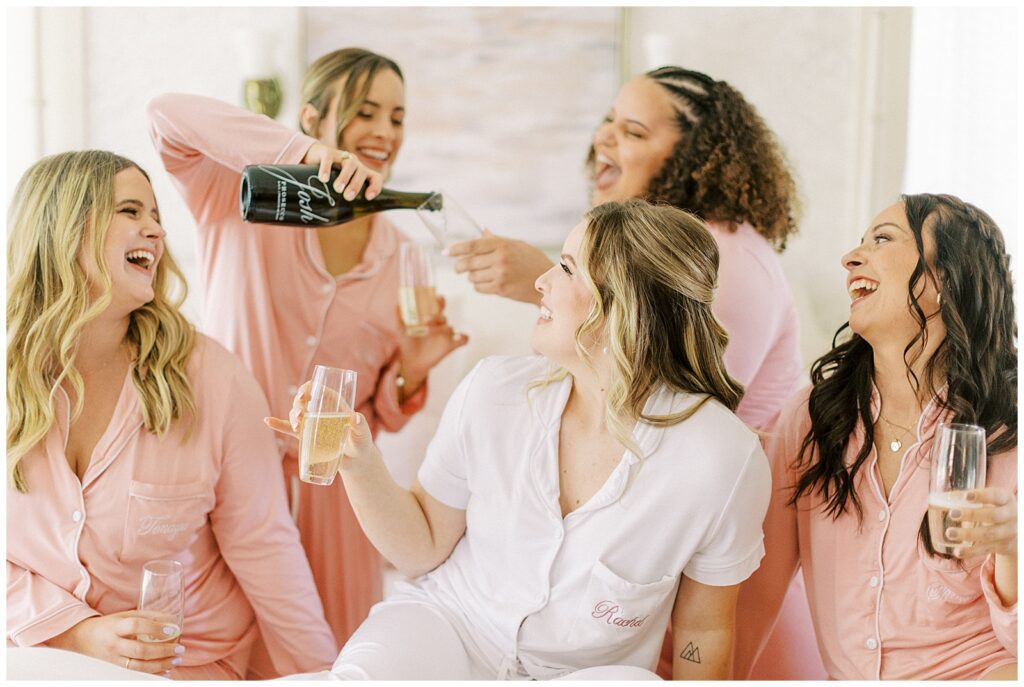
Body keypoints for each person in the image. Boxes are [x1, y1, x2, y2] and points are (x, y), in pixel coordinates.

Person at [268, 200, 771, 680]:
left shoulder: (720, 460)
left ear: (624, 306)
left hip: (583, 675)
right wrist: (359, 460)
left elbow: (703, 629)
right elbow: (420, 548)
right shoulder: (493, 391)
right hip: (446, 628)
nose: (542, 281)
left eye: (567, 268)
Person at [447, 64, 815, 679]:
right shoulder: (675, 252)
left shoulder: (730, 263)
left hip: (730, 549)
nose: (605, 140)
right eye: (608, 123)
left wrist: (549, 279)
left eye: (634, 131)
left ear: (697, 154)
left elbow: (670, 402)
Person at [146, 48, 468, 661]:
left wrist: (411, 372)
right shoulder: (236, 195)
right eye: (365, 112)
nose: (384, 132)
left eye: (398, 117)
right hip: (223, 483)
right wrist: (300, 156)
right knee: (223, 657)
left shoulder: (399, 252)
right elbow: (166, 115)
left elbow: (376, 413)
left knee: (338, 658)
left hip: (335, 502)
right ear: (312, 118)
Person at [5, 150, 337, 679]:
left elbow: (264, 546)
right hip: (40, 662)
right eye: (131, 211)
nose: (156, 232)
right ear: (65, 227)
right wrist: (75, 631)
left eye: (157, 216)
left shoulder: (215, 379)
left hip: (192, 665)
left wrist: (322, 676)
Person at [734, 194, 1018, 680]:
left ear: (943, 280)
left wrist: (1014, 547)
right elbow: (754, 601)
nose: (850, 258)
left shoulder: (1009, 431)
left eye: (882, 239)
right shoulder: (810, 420)